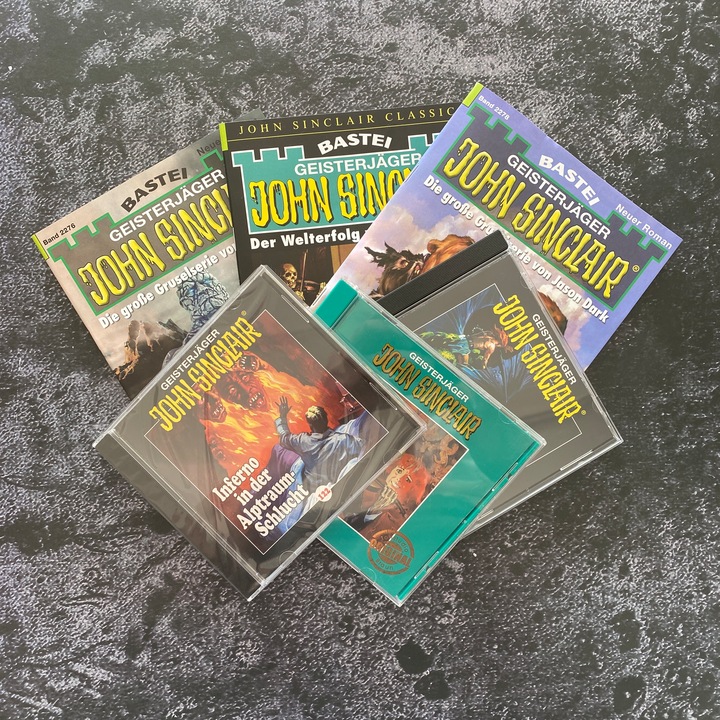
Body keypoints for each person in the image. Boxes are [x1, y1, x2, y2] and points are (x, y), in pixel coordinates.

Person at [274, 396, 364, 494]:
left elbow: (284, 437)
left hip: (313, 491)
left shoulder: (302, 441)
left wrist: (282, 416)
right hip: (342, 487)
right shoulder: (344, 439)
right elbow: (363, 449)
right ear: (326, 420)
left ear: (310, 425)